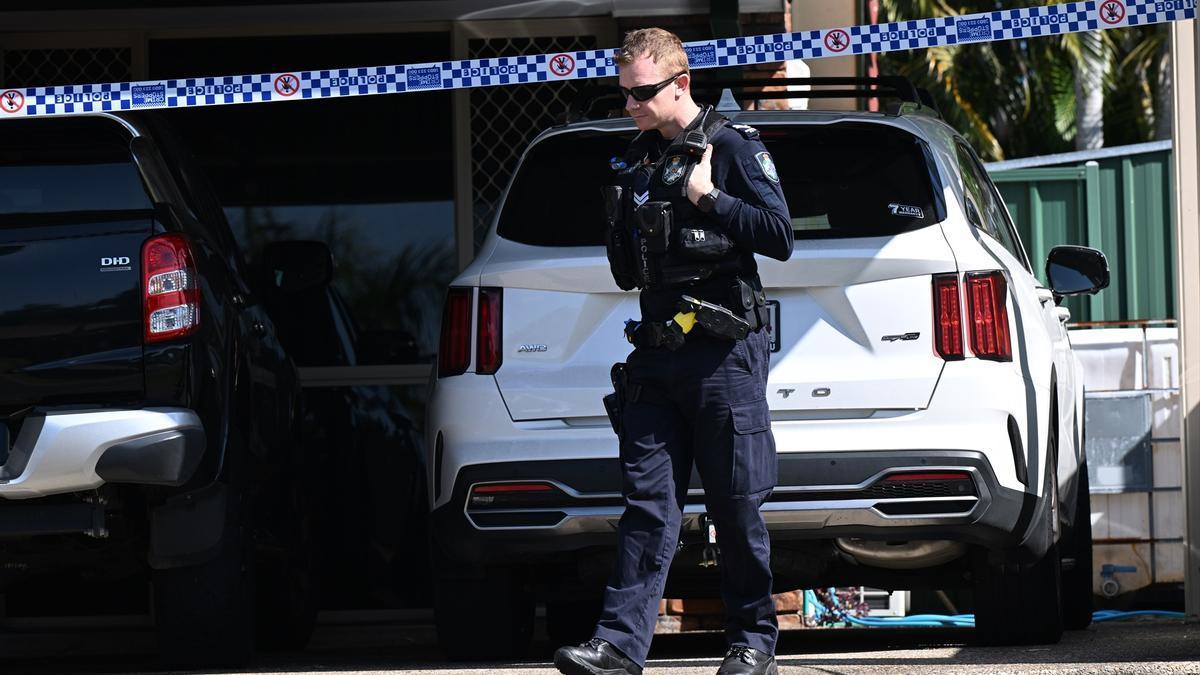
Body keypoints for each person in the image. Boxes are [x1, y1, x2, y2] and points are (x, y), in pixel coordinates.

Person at [553, 27, 794, 675]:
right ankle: (619, 646)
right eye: (624, 92)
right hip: (658, 357)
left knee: (736, 503)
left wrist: (707, 197)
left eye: (642, 92)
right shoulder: (638, 160)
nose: (630, 103)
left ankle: (752, 642)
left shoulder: (733, 146)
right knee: (646, 506)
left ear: (680, 83)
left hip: (724, 354)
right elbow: (632, 272)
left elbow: (779, 234)